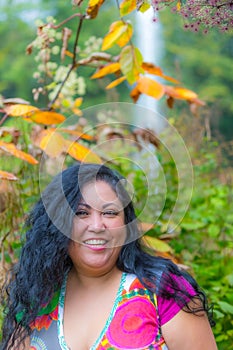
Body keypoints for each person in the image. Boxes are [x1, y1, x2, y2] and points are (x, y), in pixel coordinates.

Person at [1, 162, 217, 350]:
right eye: (81, 213)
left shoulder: (163, 289)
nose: (97, 226)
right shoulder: (38, 294)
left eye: (110, 213)